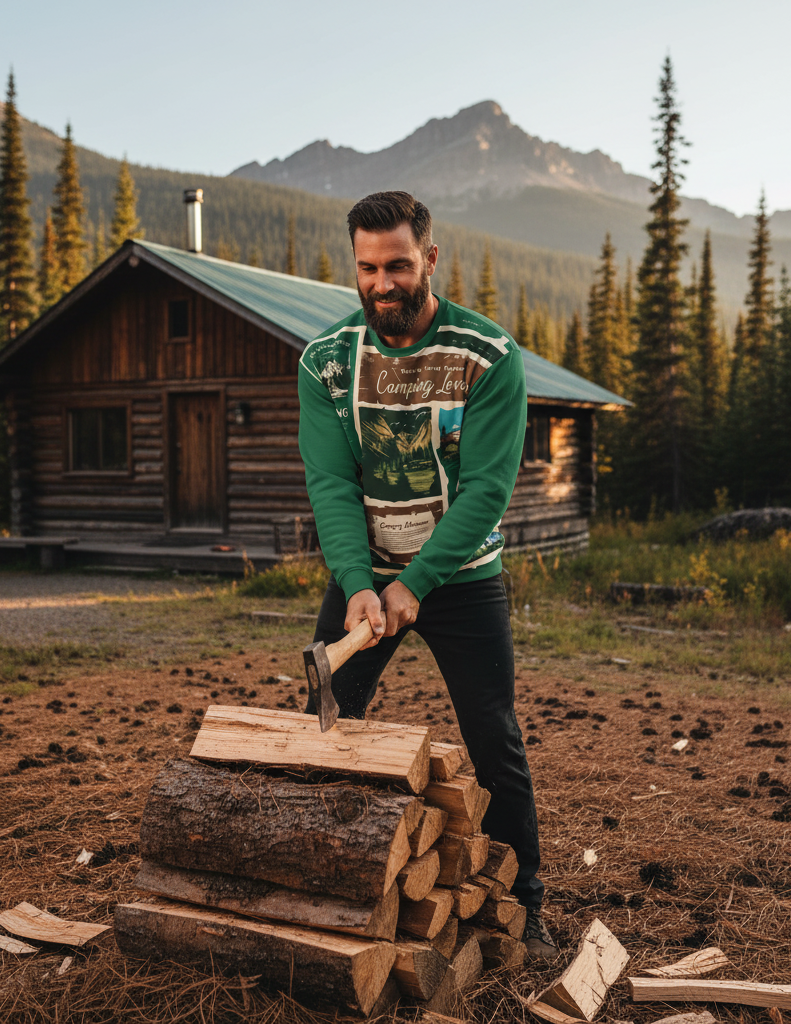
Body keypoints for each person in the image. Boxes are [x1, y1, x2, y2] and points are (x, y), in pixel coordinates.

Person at [297, 191, 557, 959]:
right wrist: (359, 582)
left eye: (399, 266)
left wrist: (419, 581)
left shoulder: (489, 356)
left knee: (494, 737)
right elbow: (333, 485)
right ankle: (322, 888)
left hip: (463, 576)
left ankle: (525, 904)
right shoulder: (326, 362)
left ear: (430, 259)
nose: (384, 284)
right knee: (326, 725)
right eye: (369, 268)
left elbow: (485, 491)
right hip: (365, 579)